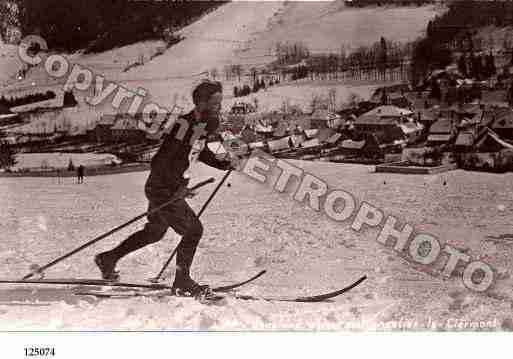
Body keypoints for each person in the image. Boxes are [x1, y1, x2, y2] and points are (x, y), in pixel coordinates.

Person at [94, 80, 237, 296]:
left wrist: (225, 162)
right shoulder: (182, 127)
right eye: (215, 103)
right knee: (193, 230)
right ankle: (182, 281)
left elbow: (203, 153)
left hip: (164, 188)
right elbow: (159, 162)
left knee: (154, 232)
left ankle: (108, 258)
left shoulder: (201, 126)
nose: (219, 107)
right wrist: (177, 187)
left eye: (220, 102)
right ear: (200, 103)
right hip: (163, 189)